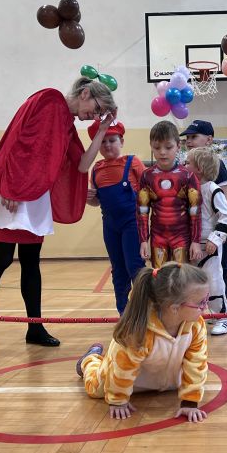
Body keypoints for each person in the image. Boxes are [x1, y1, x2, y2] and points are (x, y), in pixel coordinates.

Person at [0, 77, 117, 353]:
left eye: (100, 114)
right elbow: (17, 141)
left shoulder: (67, 123)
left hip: (35, 195)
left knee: (31, 262)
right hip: (11, 189)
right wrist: (9, 187)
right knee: (0, 259)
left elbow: (82, 165)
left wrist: (102, 129)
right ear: (85, 93)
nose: (94, 116)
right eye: (97, 109)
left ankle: (34, 327)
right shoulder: (49, 99)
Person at [76, 262, 210, 423]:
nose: (206, 307)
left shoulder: (196, 325)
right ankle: (89, 359)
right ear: (174, 308)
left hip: (166, 381)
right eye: (201, 303)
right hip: (130, 382)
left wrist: (190, 402)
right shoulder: (138, 331)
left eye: (206, 299)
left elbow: (197, 364)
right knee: (95, 388)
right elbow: (122, 369)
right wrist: (118, 399)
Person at [80, 119, 145, 314]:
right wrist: (87, 198)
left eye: (112, 140)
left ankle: (143, 311)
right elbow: (96, 202)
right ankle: (123, 311)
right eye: (103, 141)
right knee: (118, 268)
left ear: (121, 142)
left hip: (132, 223)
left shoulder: (132, 162)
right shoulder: (96, 168)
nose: (107, 145)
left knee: (135, 266)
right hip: (110, 225)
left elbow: (148, 193)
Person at [181, 120, 227, 306]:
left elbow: (224, 204)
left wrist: (218, 235)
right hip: (194, 240)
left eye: (194, 137)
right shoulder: (186, 173)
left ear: (209, 139)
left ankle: (223, 312)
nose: (189, 141)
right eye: (187, 138)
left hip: (212, 236)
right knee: (194, 278)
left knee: (217, 275)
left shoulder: (216, 171)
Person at [138, 121, 202, 267]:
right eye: (157, 147)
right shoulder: (146, 176)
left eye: (168, 147)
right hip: (157, 238)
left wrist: (195, 241)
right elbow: (142, 212)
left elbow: (195, 211)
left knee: (181, 277)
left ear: (178, 146)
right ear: (151, 146)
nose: (162, 152)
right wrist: (143, 240)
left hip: (182, 237)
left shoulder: (188, 176)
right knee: (159, 276)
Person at [185, 148, 227, 336]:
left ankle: (223, 317)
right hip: (192, 245)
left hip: (210, 247)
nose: (184, 165)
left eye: (188, 163)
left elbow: (226, 216)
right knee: (193, 284)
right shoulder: (189, 189)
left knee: (214, 282)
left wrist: (215, 239)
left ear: (200, 168)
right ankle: (198, 316)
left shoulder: (213, 189)